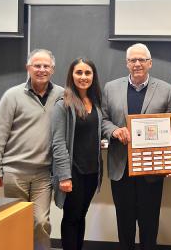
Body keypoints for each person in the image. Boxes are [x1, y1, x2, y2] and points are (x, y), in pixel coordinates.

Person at [0, 49, 64, 250]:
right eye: (37, 65)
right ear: (28, 68)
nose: (41, 69)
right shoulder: (12, 96)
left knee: (41, 222)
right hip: (14, 172)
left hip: (44, 174)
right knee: (16, 223)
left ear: (52, 70)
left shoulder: (62, 95)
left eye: (46, 66)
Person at [101, 43, 171, 250]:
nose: (137, 64)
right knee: (124, 222)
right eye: (132, 60)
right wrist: (114, 131)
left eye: (141, 60)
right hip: (121, 167)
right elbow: (103, 119)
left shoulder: (167, 90)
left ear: (150, 63)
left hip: (151, 169)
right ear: (126, 64)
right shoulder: (110, 87)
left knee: (149, 222)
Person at [51, 57, 104, 250]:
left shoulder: (96, 102)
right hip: (73, 173)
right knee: (71, 218)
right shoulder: (63, 104)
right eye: (79, 72)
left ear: (93, 76)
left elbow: (95, 131)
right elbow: (57, 143)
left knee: (81, 215)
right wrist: (64, 176)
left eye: (87, 73)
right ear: (71, 75)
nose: (83, 77)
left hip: (92, 172)